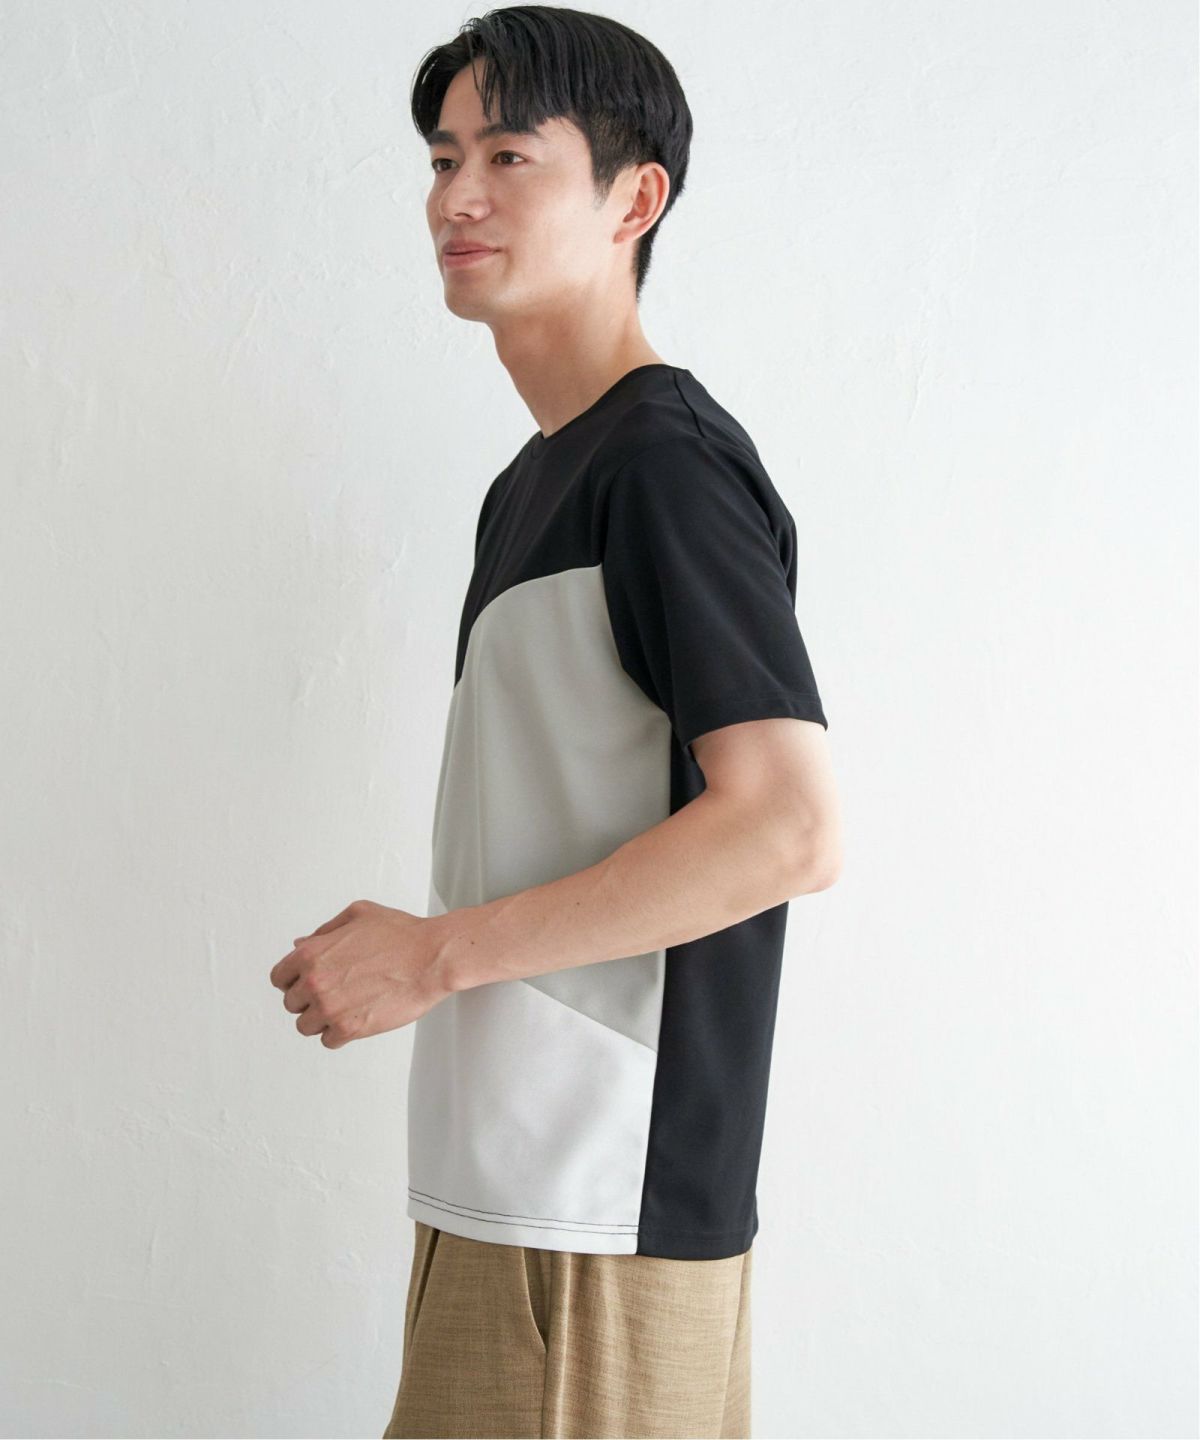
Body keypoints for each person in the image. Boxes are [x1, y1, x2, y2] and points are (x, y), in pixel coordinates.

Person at [272, 6, 841, 1436]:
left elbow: (789, 828)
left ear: (634, 199)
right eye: (442, 157)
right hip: (505, 1191)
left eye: (510, 155)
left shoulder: (664, 467)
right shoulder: (536, 485)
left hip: (598, 1211)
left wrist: (435, 954)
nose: (455, 196)